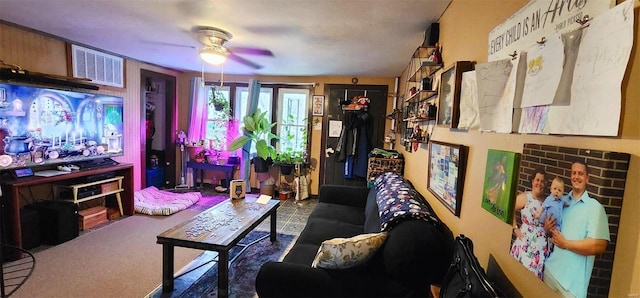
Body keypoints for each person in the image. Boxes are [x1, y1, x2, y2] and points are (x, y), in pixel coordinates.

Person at [543, 161, 610, 298]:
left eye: (581, 173)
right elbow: (550, 231)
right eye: (574, 173)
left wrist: (566, 244)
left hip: (571, 288)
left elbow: (600, 245)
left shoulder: (595, 208)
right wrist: (547, 228)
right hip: (550, 273)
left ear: (587, 178)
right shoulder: (561, 200)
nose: (576, 176)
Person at [509, 168, 548, 279]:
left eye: (542, 181)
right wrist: (515, 228)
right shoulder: (525, 197)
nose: (539, 183)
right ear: (532, 181)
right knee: (519, 275)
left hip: (540, 246)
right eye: (537, 180)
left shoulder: (546, 202)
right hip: (525, 243)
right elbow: (510, 210)